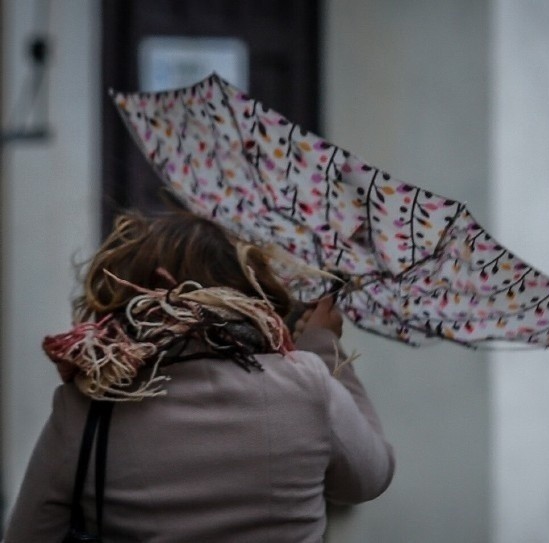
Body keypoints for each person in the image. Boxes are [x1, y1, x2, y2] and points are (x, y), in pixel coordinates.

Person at [2, 212, 394, 542]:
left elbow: (29, 534)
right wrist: (325, 347)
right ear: (246, 293)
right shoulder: (306, 383)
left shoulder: (89, 407)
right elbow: (369, 478)